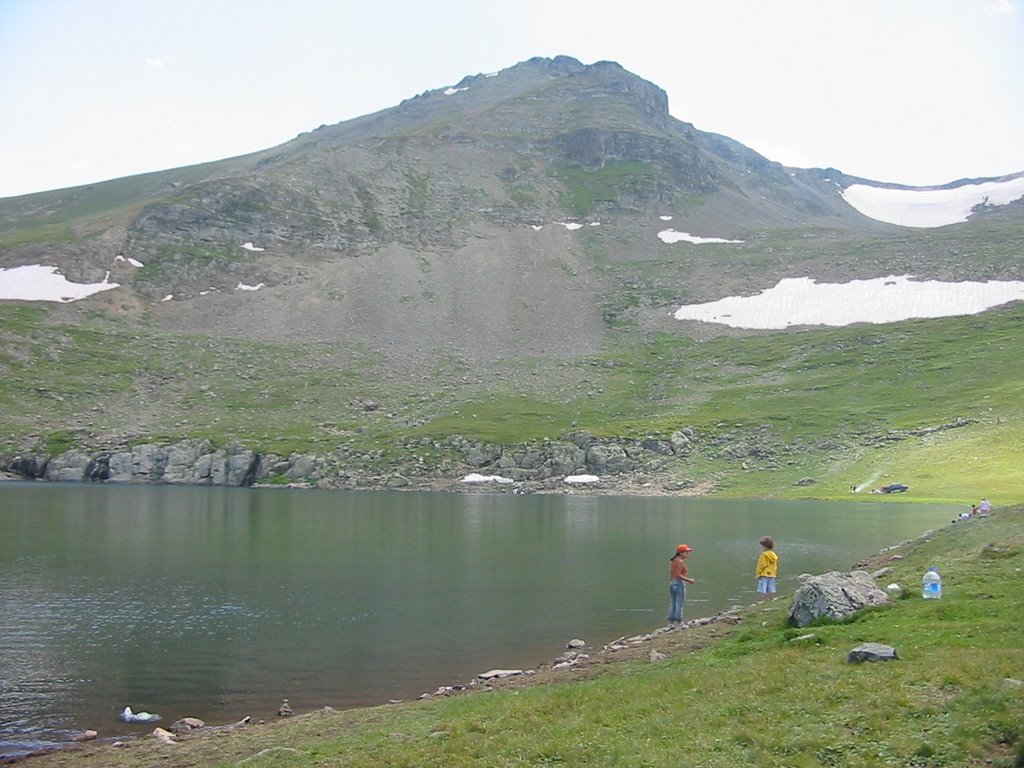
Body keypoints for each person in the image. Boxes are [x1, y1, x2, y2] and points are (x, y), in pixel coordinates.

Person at [667, 544, 695, 625]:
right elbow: (678, 575)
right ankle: (679, 621)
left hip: (672, 583)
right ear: (681, 553)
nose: (688, 554)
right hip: (678, 583)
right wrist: (689, 580)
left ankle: (671, 621)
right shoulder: (680, 562)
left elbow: (673, 574)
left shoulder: (674, 560)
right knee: (679, 603)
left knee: (673, 602)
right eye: (686, 552)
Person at [755, 536, 778, 601]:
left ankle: (762, 601)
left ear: (765, 546)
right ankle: (772, 600)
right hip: (772, 574)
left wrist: (758, 574)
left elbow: (761, 565)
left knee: (762, 589)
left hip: (764, 574)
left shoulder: (764, 555)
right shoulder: (773, 555)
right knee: (771, 589)